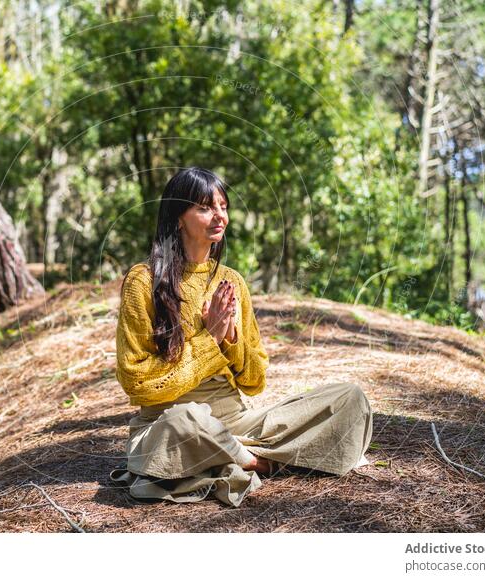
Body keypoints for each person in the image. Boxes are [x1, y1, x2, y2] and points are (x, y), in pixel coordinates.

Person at [109, 167, 373, 507]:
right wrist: (209, 338)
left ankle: (233, 452)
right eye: (205, 207)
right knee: (186, 419)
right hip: (171, 424)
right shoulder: (143, 282)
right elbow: (136, 383)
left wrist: (230, 340)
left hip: (235, 421)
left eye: (223, 206)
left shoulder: (232, 281)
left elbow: (254, 382)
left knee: (348, 398)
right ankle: (258, 462)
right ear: (178, 218)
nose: (219, 215)